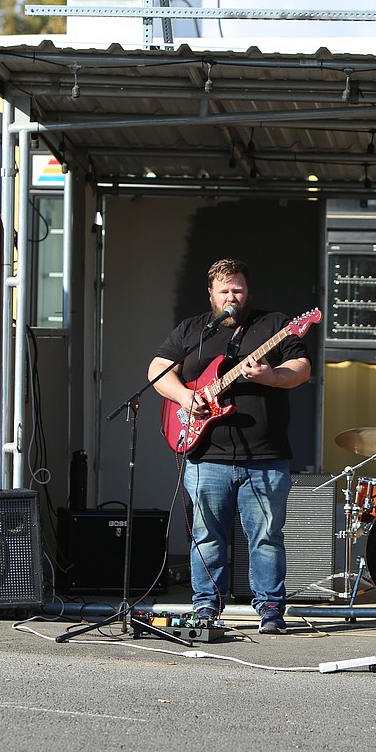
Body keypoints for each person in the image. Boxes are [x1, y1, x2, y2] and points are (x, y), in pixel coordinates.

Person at [148, 259, 311, 635]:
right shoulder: (194, 330)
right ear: (211, 294)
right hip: (206, 455)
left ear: (247, 291)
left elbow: (301, 368)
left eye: (237, 289)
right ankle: (205, 607)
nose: (231, 297)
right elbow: (157, 369)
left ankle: (270, 609)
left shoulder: (276, 325)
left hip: (265, 456)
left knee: (267, 537)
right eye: (224, 291)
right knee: (206, 535)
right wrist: (185, 398)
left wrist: (271, 375)